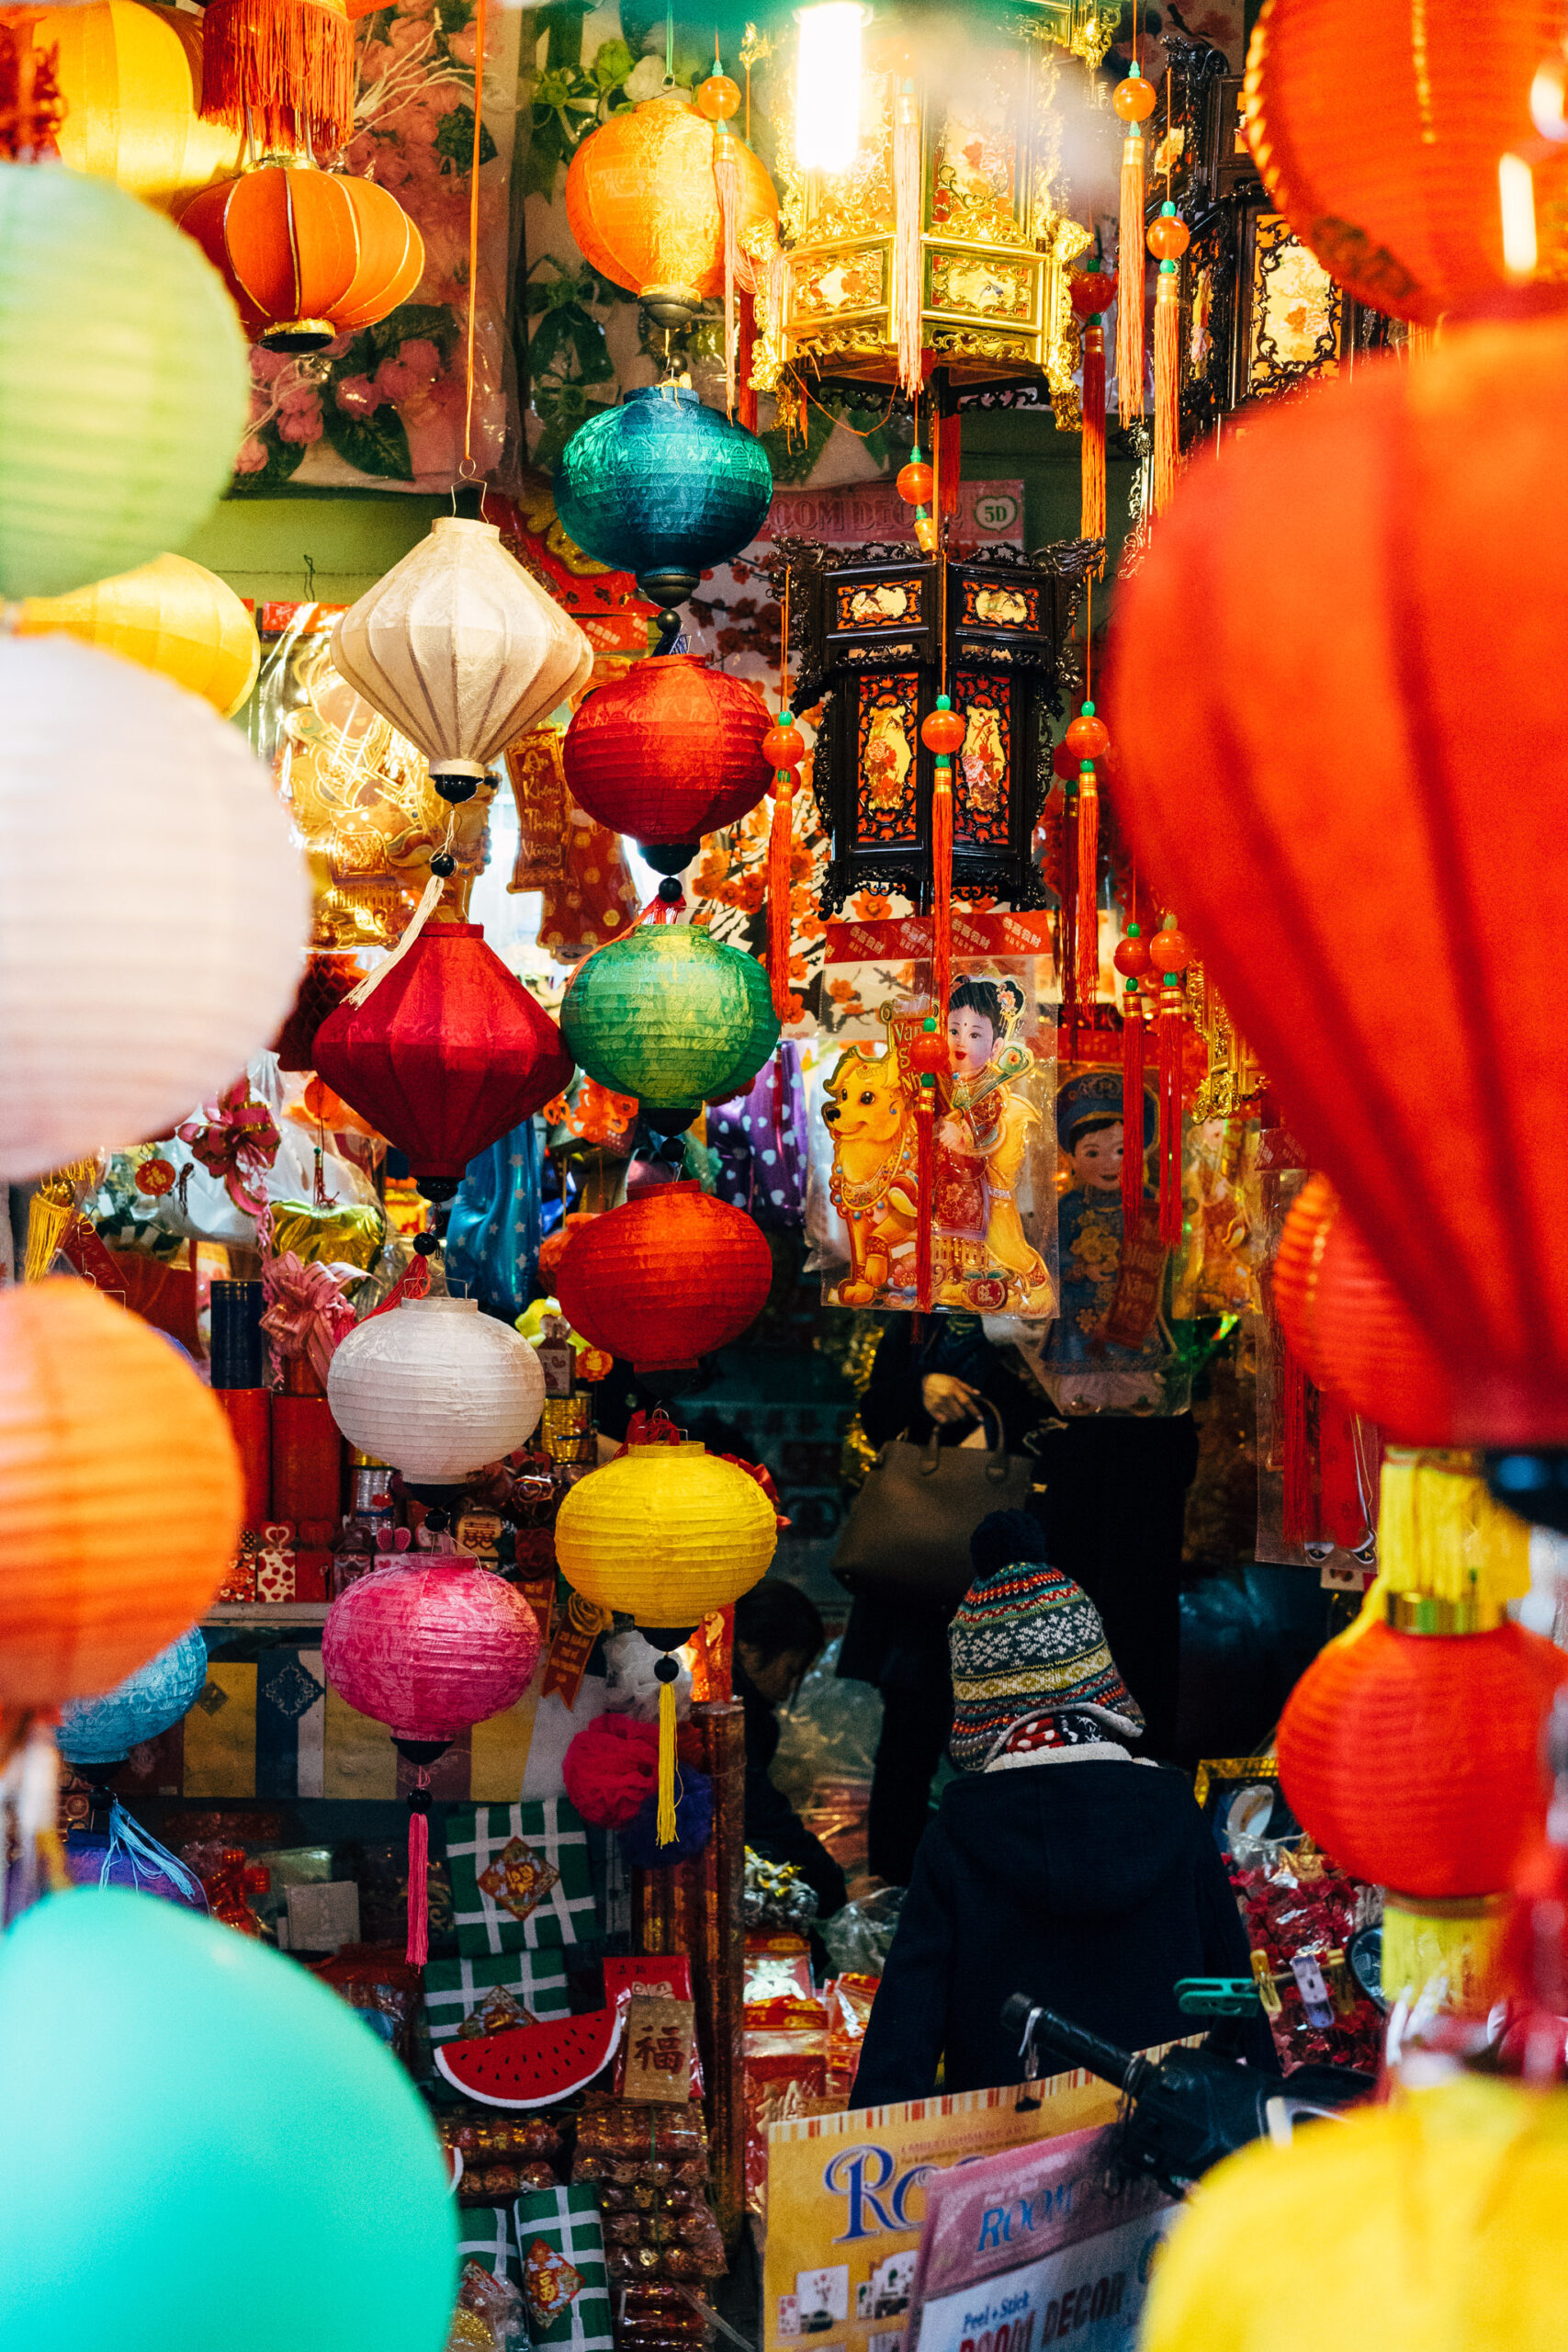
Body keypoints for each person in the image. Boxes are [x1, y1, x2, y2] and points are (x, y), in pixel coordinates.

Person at [851, 1511, 1264, 2106]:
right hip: (1161, 2137)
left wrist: (863, 2165)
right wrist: (1260, 2111)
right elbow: (1228, 1986)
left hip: (1006, 2166)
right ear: (1095, 1678)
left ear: (976, 1700)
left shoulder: (958, 1832)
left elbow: (907, 2024)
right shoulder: (1173, 1810)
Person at [838, 1313, 1041, 1886]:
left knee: (1009, 1743)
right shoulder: (919, 1323)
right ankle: (894, 1894)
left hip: (1005, 1566)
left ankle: (992, 1891)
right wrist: (917, 1392)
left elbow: (1073, 1413)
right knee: (907, 1741)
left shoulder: (1039, 1314)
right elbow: (875, 1413)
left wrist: (1007, 1418)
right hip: (918, 1566)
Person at [733, 1581, 848, 1920]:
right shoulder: (731, 1715)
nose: (789, 1690)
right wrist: (831, 1886)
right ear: (748, 1649)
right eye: (791, 1670)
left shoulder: (755, 1718)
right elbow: (760, 1812)